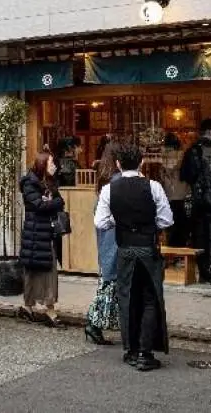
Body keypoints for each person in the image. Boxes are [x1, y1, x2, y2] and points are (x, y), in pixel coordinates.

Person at [96, 141, 173, 371]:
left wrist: (118, 221)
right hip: (148, 248)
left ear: (118, 164)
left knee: (127, 298)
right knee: (150, 298)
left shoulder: (109, 189)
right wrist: (150, 224)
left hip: (125, 248)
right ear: (141, 162)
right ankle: (145, 352)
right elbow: (167, 220)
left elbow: (100, 222)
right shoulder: (154, 186)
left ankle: (130, 350)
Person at [17, 149, 65, 329]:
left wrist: (50, 201)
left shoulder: (49, 182)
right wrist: (51, 202)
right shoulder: (29, 182)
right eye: (51, 163)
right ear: (42, 164)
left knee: (46, 270)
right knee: (35, 271)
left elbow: (59, 202)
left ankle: (34, 307)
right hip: (35, 233)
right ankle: (40, 309)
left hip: (46, 233)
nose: (54, 166)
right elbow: (39, 206)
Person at [83, 136, 123, 345]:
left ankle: (95, 324)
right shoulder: (117, 183)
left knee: (108, 285)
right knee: (109, 286)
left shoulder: (105, 181)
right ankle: (93, 323)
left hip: (107, 241)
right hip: (114, 241)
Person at [180, 119, 211, 285]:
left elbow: (185, 176)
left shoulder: (190, 151)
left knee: (199, 236)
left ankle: (202, 273)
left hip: (196, 199)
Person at [160, 133, 189, 248]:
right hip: (181, 192)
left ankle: (173, 251)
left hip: (171, 193)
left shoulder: (166, 156)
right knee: (180, 225)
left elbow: (166, 171)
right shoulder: (182, 154)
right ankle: (179, 250)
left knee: (172, 225)